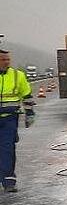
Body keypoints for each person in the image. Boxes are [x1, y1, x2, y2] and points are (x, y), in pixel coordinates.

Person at [0, 50, 35, 193]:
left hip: (9, 119)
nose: (6, 62)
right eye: (3, 59)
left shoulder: (17, 75)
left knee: (7, 149)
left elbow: (26, 95)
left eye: (8, 59)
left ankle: (9, 181)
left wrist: (29, 113)